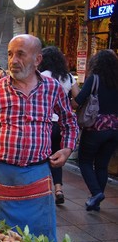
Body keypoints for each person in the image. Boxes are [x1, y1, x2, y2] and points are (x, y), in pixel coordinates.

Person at [0, 34, 78, 242]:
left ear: (37, 59)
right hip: (3, 175)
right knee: (1, 240)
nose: (13, 60)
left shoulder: (52, 88)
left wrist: (67, 149)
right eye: (10, 54)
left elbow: (69, 121)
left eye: (20, 54)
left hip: (38, 175)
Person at [71, 49, 118, 212]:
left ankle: (96, 193)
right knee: (102, 165)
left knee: (84, 161)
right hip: (114, 128)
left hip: (95, 127)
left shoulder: (94, 79)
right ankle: (96, 201)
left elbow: (78, 101)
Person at [38, 46, 80, 205]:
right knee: (58, 157)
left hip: (46, 124)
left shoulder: (41, 76)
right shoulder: (69, 77)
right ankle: (58, 189)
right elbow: (78, 98)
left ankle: (45, 189)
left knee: (43, 157)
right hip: (61, 125)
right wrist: (68, 105)